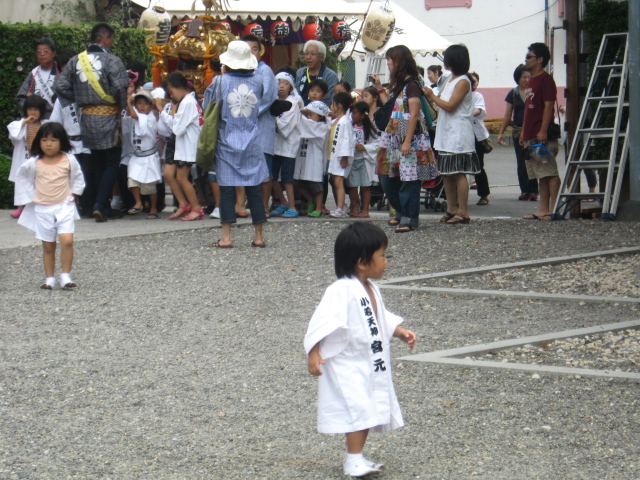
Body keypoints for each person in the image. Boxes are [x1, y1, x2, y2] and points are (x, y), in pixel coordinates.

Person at [304, 222, 416, 478]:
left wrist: (398, 331)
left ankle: (356, 457)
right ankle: (353, 459)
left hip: (368, 360)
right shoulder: (340, 290)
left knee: (367, 407)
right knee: (359, 408)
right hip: (348, 362)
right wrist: (314, 352)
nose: (386, 261)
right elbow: (322, 321)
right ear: (363, 262)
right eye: (382, 255)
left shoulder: (369, 287)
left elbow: (379, 316)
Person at [54, 23, 130, 222]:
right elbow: (120, 87)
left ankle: (100, 205)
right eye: (111, 40)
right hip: (109, 116)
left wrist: (79, 100)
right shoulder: (112, 60)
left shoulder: (75, 61)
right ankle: (100, 204)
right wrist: (121, 106)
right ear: (106, 38)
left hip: (87, 117)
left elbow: (60, 85)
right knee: (112, 162)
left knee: (97, 162)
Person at [207, 41, 268, 248]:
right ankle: (259, 236)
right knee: (254, 188)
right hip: (251, 139)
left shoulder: (219, 81)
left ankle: (226, 237)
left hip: (226, 140)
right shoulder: (258, 80)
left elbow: (209, 108)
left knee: (226, 188)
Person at [13, 122, 85, 289]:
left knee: (67, 240)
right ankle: (49, 278)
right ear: (39, 142)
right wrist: (29, 196)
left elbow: (77, 177)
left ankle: (65, 276)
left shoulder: (69, 160)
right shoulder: (33, 163)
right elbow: (22, 177)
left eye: (53, 140)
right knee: (48, 245)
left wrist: (74, 193)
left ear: (61, 142)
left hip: (64, 206)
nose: (49, 144)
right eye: (44, 140)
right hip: (42, 208)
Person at [373, 45, 437, 232]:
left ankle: (409, 218)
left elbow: (414, 114)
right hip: (394, 134)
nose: (388, 63)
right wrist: (379, 89)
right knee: (388, 177)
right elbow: (392, 108)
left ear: (399, 61)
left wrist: (407, 141)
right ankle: (402, 213)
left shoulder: (411, 85)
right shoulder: (398, 84)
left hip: (410, 134)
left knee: (409, 179)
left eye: (390, 60)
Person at [424, 44, 480, 224]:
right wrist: (432, 96)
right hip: (446, 130)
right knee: (446, 172)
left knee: (458, 172)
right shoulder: (450, 79)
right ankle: (451, 208)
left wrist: (432, 96)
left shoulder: (463, 81)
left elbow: (450, 106)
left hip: (458, 131)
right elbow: (442, 102)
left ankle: (463, 210)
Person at [520, 43, 561, 220]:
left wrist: (543, 130)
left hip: (541, 135)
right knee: (540, 174)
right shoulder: (531, 80)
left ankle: (554, 208)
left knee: (549, 171)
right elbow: (528, 109)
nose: (526, 59)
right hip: (530, 134)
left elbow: (548, 106)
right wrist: (524, 132)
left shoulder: (546, 80)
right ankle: (543, 208)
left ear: (540, 59)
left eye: (529, 57)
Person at [49, 49, 92, 215]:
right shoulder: (61, 98)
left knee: (88, 175)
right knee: (70, 176)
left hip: (88, 142)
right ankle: (74, 205)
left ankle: (88, 206)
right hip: (70, 143)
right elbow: (55, 122)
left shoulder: (90, 90)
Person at [241, 34, 278, 218]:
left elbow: (267, 97)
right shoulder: (240, 71)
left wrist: (248, 112)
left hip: (262, 124)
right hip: (244, 126)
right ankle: (246, 205)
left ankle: (264, 207)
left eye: (254, 49)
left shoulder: (264, 71)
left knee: (264, 169)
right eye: (247, 50)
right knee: (246, 167)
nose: (251, 53)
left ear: (260, 51)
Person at [163, 72, 204, 221]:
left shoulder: (187, 103)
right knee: (181, 177)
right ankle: (191, 206)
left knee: (182, 178)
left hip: (187, 146)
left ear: (180, 88)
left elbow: (178, 129)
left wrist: (173, 112)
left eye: (171, 91)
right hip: (187, 145)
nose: (171, 95)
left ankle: (196, 208)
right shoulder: (190, 100)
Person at [497, 64, 539, 201]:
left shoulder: (534, 92)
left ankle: (534, 190)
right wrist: (501, 133)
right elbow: (507, 114)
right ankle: (524, 190)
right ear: (518, 78)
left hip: (532, 132)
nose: (526, 80)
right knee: (521, 162)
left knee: (532, 160)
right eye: (523, 77)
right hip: (517, 132)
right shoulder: (513, 93)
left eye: (528, 77)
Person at [8, 94, 49, 219]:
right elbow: (14, 134)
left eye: (36, 109)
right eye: (30, 109)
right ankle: (20, 207)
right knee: (21, 182)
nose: (33, 112)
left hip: (39, 157)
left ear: (41, 111)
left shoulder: (45, 124)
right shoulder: (20, 124)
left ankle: (39, 206)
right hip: (24, 157)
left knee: (40, 182)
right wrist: (24, 122)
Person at [125, 90, 162, 218]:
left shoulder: (150, 118)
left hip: (149, 156)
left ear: (151, 106)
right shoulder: (136, 116)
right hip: (137, 156)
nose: (142, 106)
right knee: (132, 180)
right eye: (139, 103)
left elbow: (133, 114)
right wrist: (130, 103)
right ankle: (138, 202)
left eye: (145, 103)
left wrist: (129, 103)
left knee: (150, 186)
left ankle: (153, 208)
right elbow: (131, 114)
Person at [270, 72, 302, 218]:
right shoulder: (272, 101)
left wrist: (274, 118)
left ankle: (292, 206)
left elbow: (286, 127)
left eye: (285, 83)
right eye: (279, 82)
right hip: (275, 145)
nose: (281, 86)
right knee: (272, 177)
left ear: (291, 87)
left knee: (287, 179)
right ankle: (283, 202)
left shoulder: (293, 103)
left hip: (288, 146)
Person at [294, 101, 332, 217]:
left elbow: (307, 125)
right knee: (297, 183)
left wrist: (298, 110)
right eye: (307, 115)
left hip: (314, 160)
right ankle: (310, 200)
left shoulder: (322, 127)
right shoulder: (308, 124)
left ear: (320, 116)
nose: (308, 117)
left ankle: (319, 208)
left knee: (316, 186)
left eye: (311, 114)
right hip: (302, 159)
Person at [347, 102, 379, 218]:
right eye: (352, 113)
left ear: (362, 115)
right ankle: (354, 206)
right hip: (352, 160)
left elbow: (377, 143)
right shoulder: (349, 126)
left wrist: (365, 147)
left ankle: (365, 210)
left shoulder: (370, 128)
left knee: (365, 186)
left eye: (355, 113)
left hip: (364, 160)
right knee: (352, 186)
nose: (352, 115)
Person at [327, 92, 356, 218]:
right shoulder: (336, 120)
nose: (331, 106)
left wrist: (345, 157)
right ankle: (341, 206)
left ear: (339, 105)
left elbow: (347, 140)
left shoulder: (345, 121)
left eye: (332, 103)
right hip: (334, 155)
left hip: (341, 156)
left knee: (338, 181)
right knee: (335, 181)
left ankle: (340, 208)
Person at [16, 37, 59, 118]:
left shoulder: (61, 72)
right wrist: (30, 112)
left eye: (46, 51)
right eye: (39, 51)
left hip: (57, 116)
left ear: (53, 53)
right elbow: (21, 97)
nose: (42, 54)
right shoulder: (34, 73)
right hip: (35, 118)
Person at [469, 72, 491, 206]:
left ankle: (484, 194)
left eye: (475, 81)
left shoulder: (477, 96)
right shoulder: (460, 95)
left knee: (478, 165)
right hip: (462, 134)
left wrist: (465, 115)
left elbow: (479, 110)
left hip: (477, 136)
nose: (473, 84)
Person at [295, 40, 339, 106]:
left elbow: (329, 100)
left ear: (321, 57)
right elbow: (295, 94)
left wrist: (311, 109)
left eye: (312, 54)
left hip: (320, 110)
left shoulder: (330, 76)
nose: (308, 57)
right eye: (306, 54)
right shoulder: (300, 72)